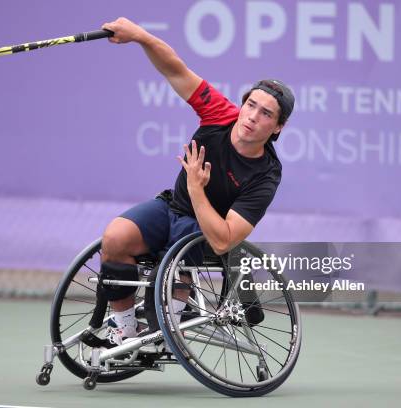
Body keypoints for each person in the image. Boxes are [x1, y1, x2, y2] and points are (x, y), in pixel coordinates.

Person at [94, 17, 295, 346]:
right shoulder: (219, 113)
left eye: (266, 114)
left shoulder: (266, 175)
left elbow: (223, 241)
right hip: (170, 207)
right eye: (251, 105)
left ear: (277, 128)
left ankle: (163, 329)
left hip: (205, 232)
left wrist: (196, 189)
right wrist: (140, 36)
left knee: (177, 260)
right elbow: (175, 69)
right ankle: (125, 330)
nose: (252, 117)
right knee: (115, 238)